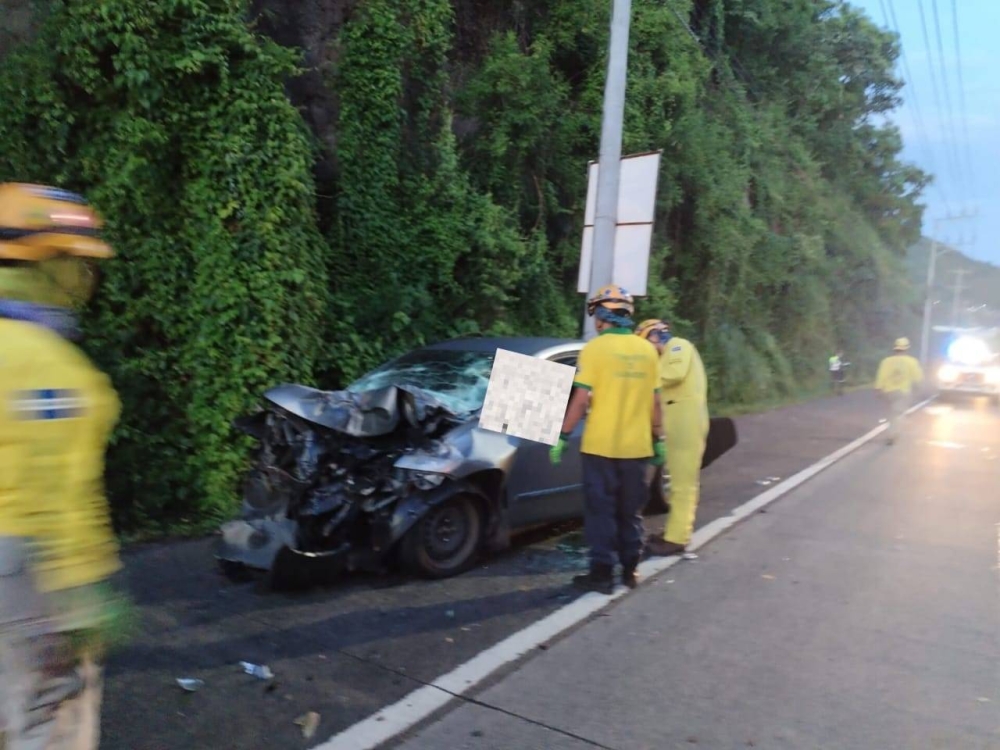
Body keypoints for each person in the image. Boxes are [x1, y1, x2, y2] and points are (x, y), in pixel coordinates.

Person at [0, 182, 126, 749]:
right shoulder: (51, 366)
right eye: (78, 263)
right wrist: (85, 597)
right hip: (32, 580)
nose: (87, 280)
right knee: (53, 723)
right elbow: (60, 492)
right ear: (46, 261)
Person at [549, 285, 663, 593]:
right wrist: (658, 438)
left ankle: (601, 576)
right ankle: (630, 571)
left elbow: (581, 399)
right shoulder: (648, 351)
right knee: (630, 512)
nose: (594, 322)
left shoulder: (595, 350)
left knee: (601, 513)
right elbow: (655, 402)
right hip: (636, 450)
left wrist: (562, 435)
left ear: (602, 315)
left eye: (595, 314)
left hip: (600, 449)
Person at [635, 319, 709, 558]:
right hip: (677, 423)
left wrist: (636, 377)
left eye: (646, 344)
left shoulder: (678, 346)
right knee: (678, 484)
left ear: (656, 335)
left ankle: (677, 539)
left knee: (683, 484)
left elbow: (673, 374)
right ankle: (673, 533)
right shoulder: (665, 355)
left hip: (686, 424)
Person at [875, 337, 924, 445]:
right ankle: (892, 435)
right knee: (899, 413)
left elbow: (881, 375)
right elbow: (917, 378)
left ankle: (891, 432)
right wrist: (919, 387)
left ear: (895, 348)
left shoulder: (886, 361)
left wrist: (878, 388)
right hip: (903, 391)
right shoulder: (912, 362)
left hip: (888, 392)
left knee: (891, 412)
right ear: (906, 349)